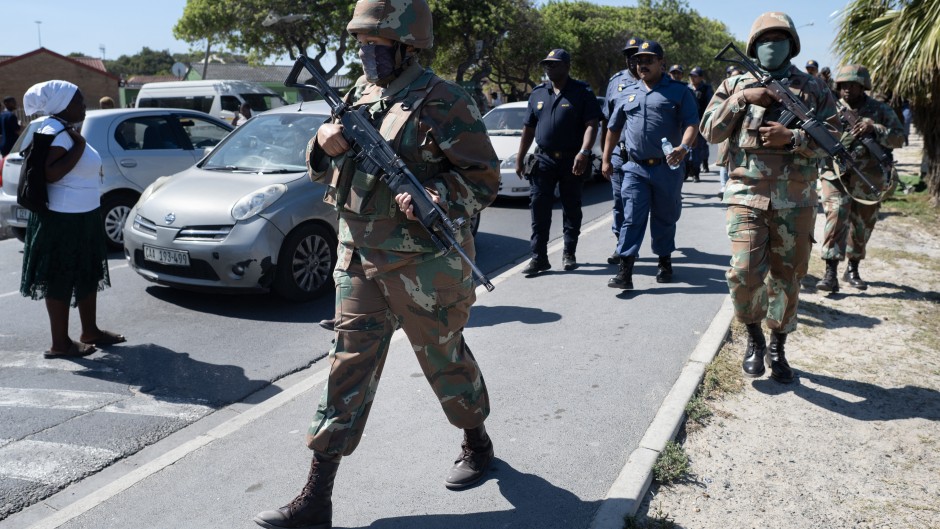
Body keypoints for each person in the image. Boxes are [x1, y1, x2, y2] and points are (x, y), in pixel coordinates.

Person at [252, 1, 500, 527]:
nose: (366, 54)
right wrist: (321, 144)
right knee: (347, 366)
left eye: (377, 46)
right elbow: (323, 169)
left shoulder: (446, 100)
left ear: (408, 47)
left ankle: (476, 439)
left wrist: (437, 194)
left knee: (443, 358)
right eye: (361, 44)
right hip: (359, 258)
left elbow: (482, 179)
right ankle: (316, 497)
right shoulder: (356, 95)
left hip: (424, 267)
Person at [700, 12, 841, 384]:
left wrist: (792, 139)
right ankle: (754, 338)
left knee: (789, 278)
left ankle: (778, 344)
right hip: (746, 195)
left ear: (791, 45)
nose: (771, 45)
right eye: (765, 39)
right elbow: (710, 132)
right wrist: (742, 98)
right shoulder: (734, 83)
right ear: (753, 45)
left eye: (779, 38)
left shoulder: (813, 88)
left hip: (796, 201)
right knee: (744, 273)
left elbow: (834, 141)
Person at [19, 81, 126, 358]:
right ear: (62, 104)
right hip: (63, 219)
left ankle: (90, 330)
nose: (83, 105)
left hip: (82, 215)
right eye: (78, 100)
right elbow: (51, 173)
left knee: (87, 273)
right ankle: (60, 344)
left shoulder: (63, 129)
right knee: (61, 277)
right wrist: (79, 146)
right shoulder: (55, 131)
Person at [602, 40, 699, 289]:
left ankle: (664, 260)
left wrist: (684, 147)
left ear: (661, 63)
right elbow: (613, 128)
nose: (642, 64)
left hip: (667, 167)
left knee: (665, 217)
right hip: (634, 168)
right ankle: (625, 272)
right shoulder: (627, 91)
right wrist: (605, 158)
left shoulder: (679, 91)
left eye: (648, 60)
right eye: (639, 60)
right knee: (631, 217)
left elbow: (691, 123)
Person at [815, 65, 904, 293]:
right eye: (843, 85)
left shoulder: (880, 109)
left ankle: (853, 268)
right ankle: (830, 272)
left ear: (863, 86)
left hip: (869, 177)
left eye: (853, 85)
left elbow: (899, 138)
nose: (847, 90)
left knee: (863, 224)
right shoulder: (830, 108)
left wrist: (874, 129)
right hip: (835, 174)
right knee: (836, 217)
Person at [515, 48, 601, 275]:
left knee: (571, 208)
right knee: (538, 209)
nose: (549, 68)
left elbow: (592, 124)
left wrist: (584, 152)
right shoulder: (538, 93)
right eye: (547, 64)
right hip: (543, 159)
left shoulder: (581, 92)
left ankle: (569, 253)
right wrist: (520, 156)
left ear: (566, 66)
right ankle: (538, 257)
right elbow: (528, 128)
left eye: (554, 64)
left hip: (572, 160)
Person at [602, 37, 642, 266]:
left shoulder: (655, 81)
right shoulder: (615, 82)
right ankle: (622, 246)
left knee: (640, 203)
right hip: (620, 153)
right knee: (619, 202)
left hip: (645, 156)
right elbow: (608, 123)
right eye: (628, 55)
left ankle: (661, 250)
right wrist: (604, 156)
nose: (632, 60)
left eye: (636, 55)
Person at [716, 65, 743, 198]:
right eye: (731, 75)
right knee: (724, 160)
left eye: (737, 75)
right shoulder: (724, 89)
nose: (734, 78)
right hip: (725, 130)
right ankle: (723, 186)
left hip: (740, 133)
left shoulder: (746, 89)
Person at [688, 66, 714, 180]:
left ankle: (697, 171)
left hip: (701, 122)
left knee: (699, 147)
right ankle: (691, 170)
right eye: (691, 76)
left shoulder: (706, 89)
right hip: (688, 122)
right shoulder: (686, 88)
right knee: (689, 148)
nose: (693, 78)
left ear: (701, 77)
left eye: (695, 76)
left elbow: (710, 105)